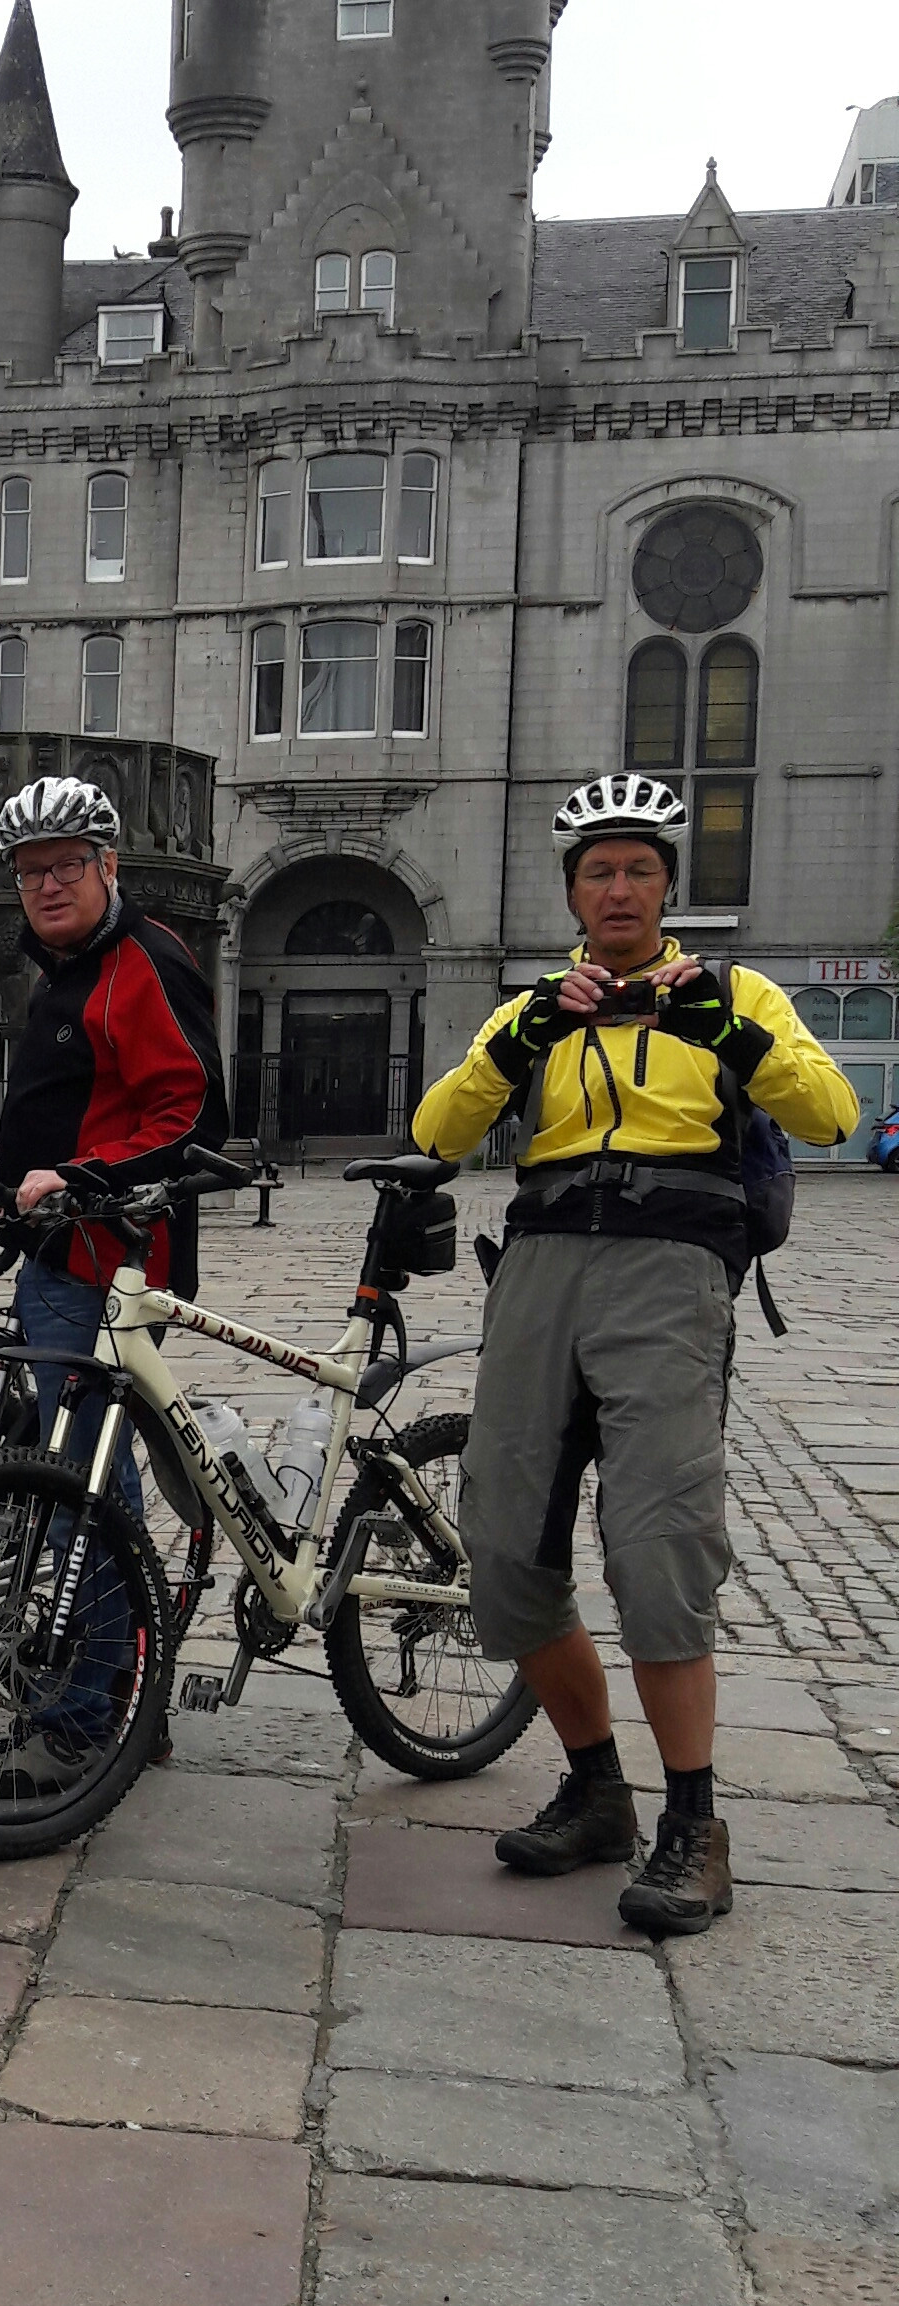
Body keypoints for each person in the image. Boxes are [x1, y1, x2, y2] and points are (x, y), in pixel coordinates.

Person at [412, 772, 857, 1936]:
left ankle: (694, 1826)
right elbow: (436, 1130)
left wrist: (724, 1031)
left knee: (659, 1544)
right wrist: (526, 1038)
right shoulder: (534, 1010)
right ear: (573, 892)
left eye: (639, 870)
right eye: (599, 872)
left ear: (668, 887)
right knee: (502, 1546)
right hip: (540, 1264)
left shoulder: (735, 992)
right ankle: (596, 1788)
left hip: (670, 1268)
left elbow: (828, 1114)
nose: (619, 889)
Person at [0, 775, 230, 1789]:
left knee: (85, 1492)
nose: (47, 885)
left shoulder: (142, 961)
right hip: (62, 1256)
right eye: (29, 871)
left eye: (66, 865)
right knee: (74, 1480)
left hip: (110, 1263)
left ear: (108, 865)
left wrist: (80, 1179)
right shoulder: (68, 968)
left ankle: (94, 1719)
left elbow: (193, 1116)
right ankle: (118, 1700)